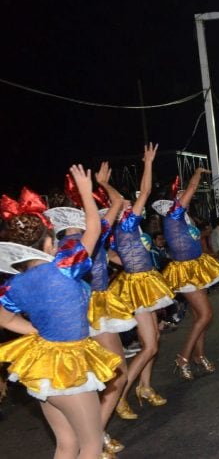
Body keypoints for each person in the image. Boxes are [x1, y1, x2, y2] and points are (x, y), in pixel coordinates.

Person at [0, 169, 121, 459]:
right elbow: (94, 229)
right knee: (90, 445)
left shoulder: (12, 286)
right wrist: (84, 190)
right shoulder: (64, 268)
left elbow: (4, 319)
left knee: (66, 445)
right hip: (69, 370)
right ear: (48, 244)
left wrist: (35, 332)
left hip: (42, 369)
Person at [107, 144, 175, 420]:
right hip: (137, 286)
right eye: (124, 202)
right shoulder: (124, 223)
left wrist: (123, 261)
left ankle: (145, 387)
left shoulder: (127, 228)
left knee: (154, 338)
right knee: (150, 345)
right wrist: (147, 162)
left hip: (144, 282)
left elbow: (111, 254)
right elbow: (145, 192)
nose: (129, 202)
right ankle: (122, 395)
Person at [153, 167, 219, 381]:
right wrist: (198, 173)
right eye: (178, 196)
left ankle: (199, 355)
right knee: (205, 315)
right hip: (187, 271)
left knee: (198, 316)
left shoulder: (180, 217)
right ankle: (183, 357)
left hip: (195, 267)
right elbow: (193, 188)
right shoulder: (174, 215)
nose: (182, 198)